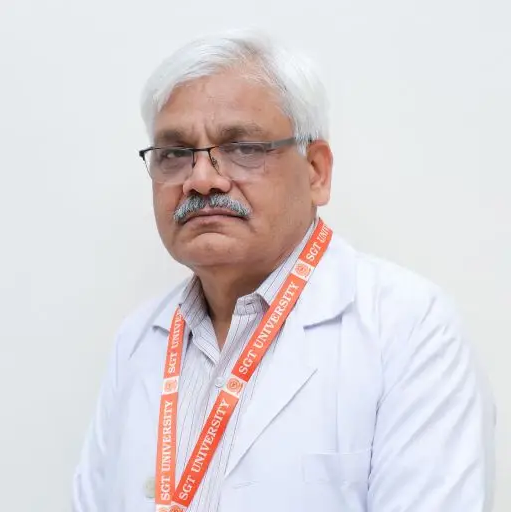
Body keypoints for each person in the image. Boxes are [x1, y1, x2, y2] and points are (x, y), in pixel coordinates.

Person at [72, 30, 495, 512]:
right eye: (175, 154)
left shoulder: (409, 328)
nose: (202, 179)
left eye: (243, 147)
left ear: (316, 171)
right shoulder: (137, 340)